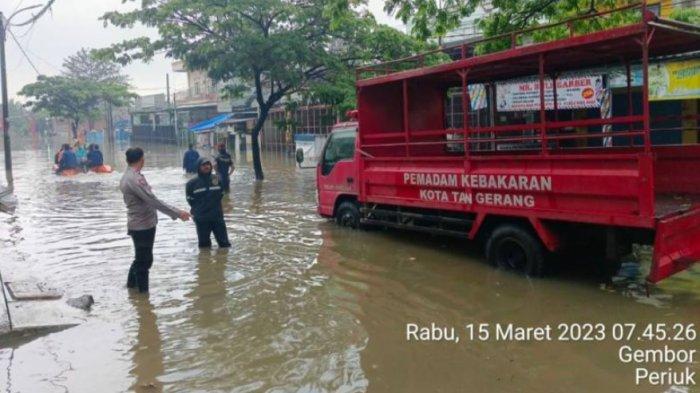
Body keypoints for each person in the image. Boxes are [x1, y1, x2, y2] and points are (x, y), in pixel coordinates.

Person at [119, 147, 191, 293]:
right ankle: (143, 297)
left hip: (141, 223)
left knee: (142, 259)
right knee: (144, 262)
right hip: (142, 226)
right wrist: (178, 213)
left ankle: (131, 287)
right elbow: (153, 201)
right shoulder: (134, 179)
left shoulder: (129, 176)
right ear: (142, 159)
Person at [186, 157, 231, 248]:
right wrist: (199, 209)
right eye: (203, 165)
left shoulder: (217, 179)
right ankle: (205, 261)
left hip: (217, 217)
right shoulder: (191, 184)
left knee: (225, 244)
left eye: (208, 164)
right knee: (204, 247)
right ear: (198, 167)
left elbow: (221, 194)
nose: (206, 166)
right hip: (201, 218)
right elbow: (190, 200)